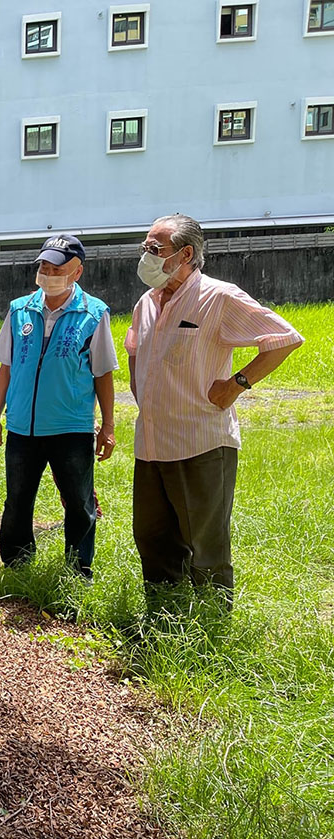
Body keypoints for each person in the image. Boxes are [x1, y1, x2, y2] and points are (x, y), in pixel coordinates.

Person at [125, 214, 303, 600]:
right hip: (152, 443)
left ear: (185, 254)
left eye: (155, 249)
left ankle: (211, 626)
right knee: (153, 538)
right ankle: (163, 615)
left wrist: (236, 385)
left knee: (205, 548)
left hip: (200, 443)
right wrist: (143, 393)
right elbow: (134, 350)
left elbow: (285, 339)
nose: (146, 256)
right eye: (145, 248)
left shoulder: (217, 297)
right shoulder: (147, 302)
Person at [0, 235, 118, 579]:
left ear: (77, 272)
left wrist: (108, 425)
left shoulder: (94, 313)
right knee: (17, 499)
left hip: (70, 427)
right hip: (22, 426)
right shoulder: (20, 310)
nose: (48, 272)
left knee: (79, 504)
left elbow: (102, 373)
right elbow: (7, 367)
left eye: (56, 267)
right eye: (44, 266)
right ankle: (16, 563)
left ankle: (78, 570)